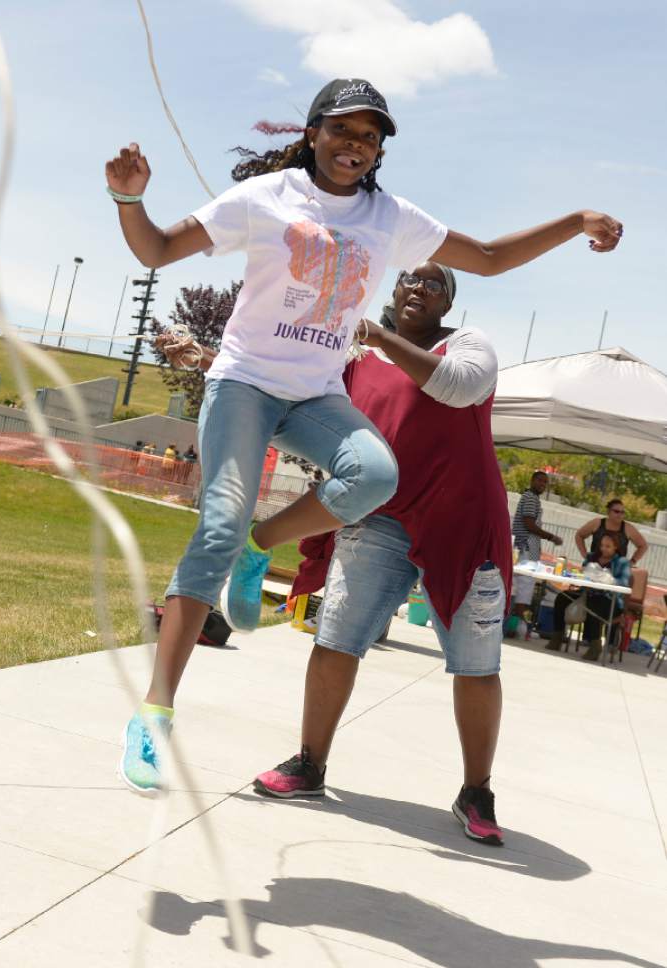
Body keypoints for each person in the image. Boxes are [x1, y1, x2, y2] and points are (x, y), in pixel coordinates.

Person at [105, 76, 623, 796]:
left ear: (379, 152)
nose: (356, 145)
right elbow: (156, 251)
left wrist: (576, 219)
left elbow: (493, 258)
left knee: (376, 476)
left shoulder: (390, 218)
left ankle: (261, 550)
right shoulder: (266, 199)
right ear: (314, 132)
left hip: (315, 394)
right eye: (343, 130)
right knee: (217, 524)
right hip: (246, 384)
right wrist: (130, 199)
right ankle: (155, 713)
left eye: (370, 136)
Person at [250, 262, 512, 845]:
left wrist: (382, 337)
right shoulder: (353, 354)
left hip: (462, 525)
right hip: (381, 519)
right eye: (409, 279)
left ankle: (477, 790)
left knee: (476, 662)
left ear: (448, 304)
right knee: (337, 638)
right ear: (393, 290)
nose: (419, 287)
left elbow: (457, 386)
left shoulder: (467, 347)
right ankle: (310, 763)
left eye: (435, 284)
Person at [545, 533, 631, 661]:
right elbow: (582, 574)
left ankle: (595, 646)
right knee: (562, 597)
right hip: (586, 592)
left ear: (616, 547)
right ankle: (557, 636)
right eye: (602, 545)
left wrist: (608, 579)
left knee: (594, 604)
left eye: (608, 546)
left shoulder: (621, 562)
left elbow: (624, 582)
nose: (603, 549)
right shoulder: (592, 557)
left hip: (609, 599)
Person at [510, 471, 563, 625]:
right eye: (540, 480)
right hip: (525, 547)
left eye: (545, 482)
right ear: (532, 480)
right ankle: (516, 622)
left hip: (525, 547)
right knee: (524, 587)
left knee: (519, 587)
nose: (542, 484)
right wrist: (551, 537)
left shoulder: (531, 498)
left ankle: (514, 622)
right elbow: (529, 524)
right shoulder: (530, 498)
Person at [575, 498, 648, 566]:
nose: (620, 515)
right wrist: (584, 554)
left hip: (616, 570)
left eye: (622, 512)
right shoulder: (597, 523)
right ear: (608, 512)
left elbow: (643, 546)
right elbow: (579, 535)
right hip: (594, 566)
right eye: (616, 511)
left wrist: (632, 562)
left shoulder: (628, 528)